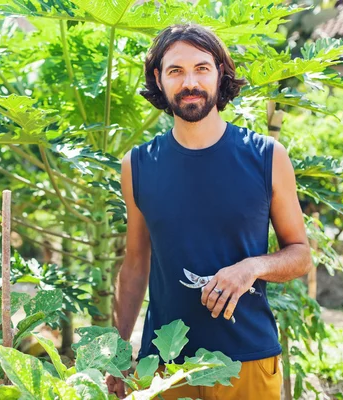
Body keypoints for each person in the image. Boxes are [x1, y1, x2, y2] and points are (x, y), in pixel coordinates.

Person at [106, 23, 313, 400]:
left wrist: (252, 267)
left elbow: (300, 254)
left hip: (247, 361)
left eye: (201, 68)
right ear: (158, 78)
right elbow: (135, 263)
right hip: (164, 367)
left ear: (220, 72)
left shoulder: (266, 156)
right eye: (175, 70)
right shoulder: (136, 164)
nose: (190, 82)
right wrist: (117, 350)